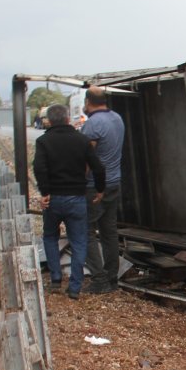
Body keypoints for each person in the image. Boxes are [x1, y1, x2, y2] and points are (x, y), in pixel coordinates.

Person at [34, 104, 102, 299]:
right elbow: (98, 167)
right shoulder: (82, 140)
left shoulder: (43, 141)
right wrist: (100, 189)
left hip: (53, 199)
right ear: (66, 119)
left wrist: (45, 191)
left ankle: (55, 279)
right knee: (79, 241)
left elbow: (39, 167)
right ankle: (74, 287)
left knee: (49, 237)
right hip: (77, 198)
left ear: (49, 121)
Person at [80, 86, 126, 294]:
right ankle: (112, 278)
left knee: (86, 231)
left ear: (88, 102)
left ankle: (99, 280)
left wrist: (78, 181)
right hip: (114, 182)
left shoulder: (92, 124)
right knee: (109, 232)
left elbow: (87, 159)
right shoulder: (117, 118)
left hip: (94, 186)